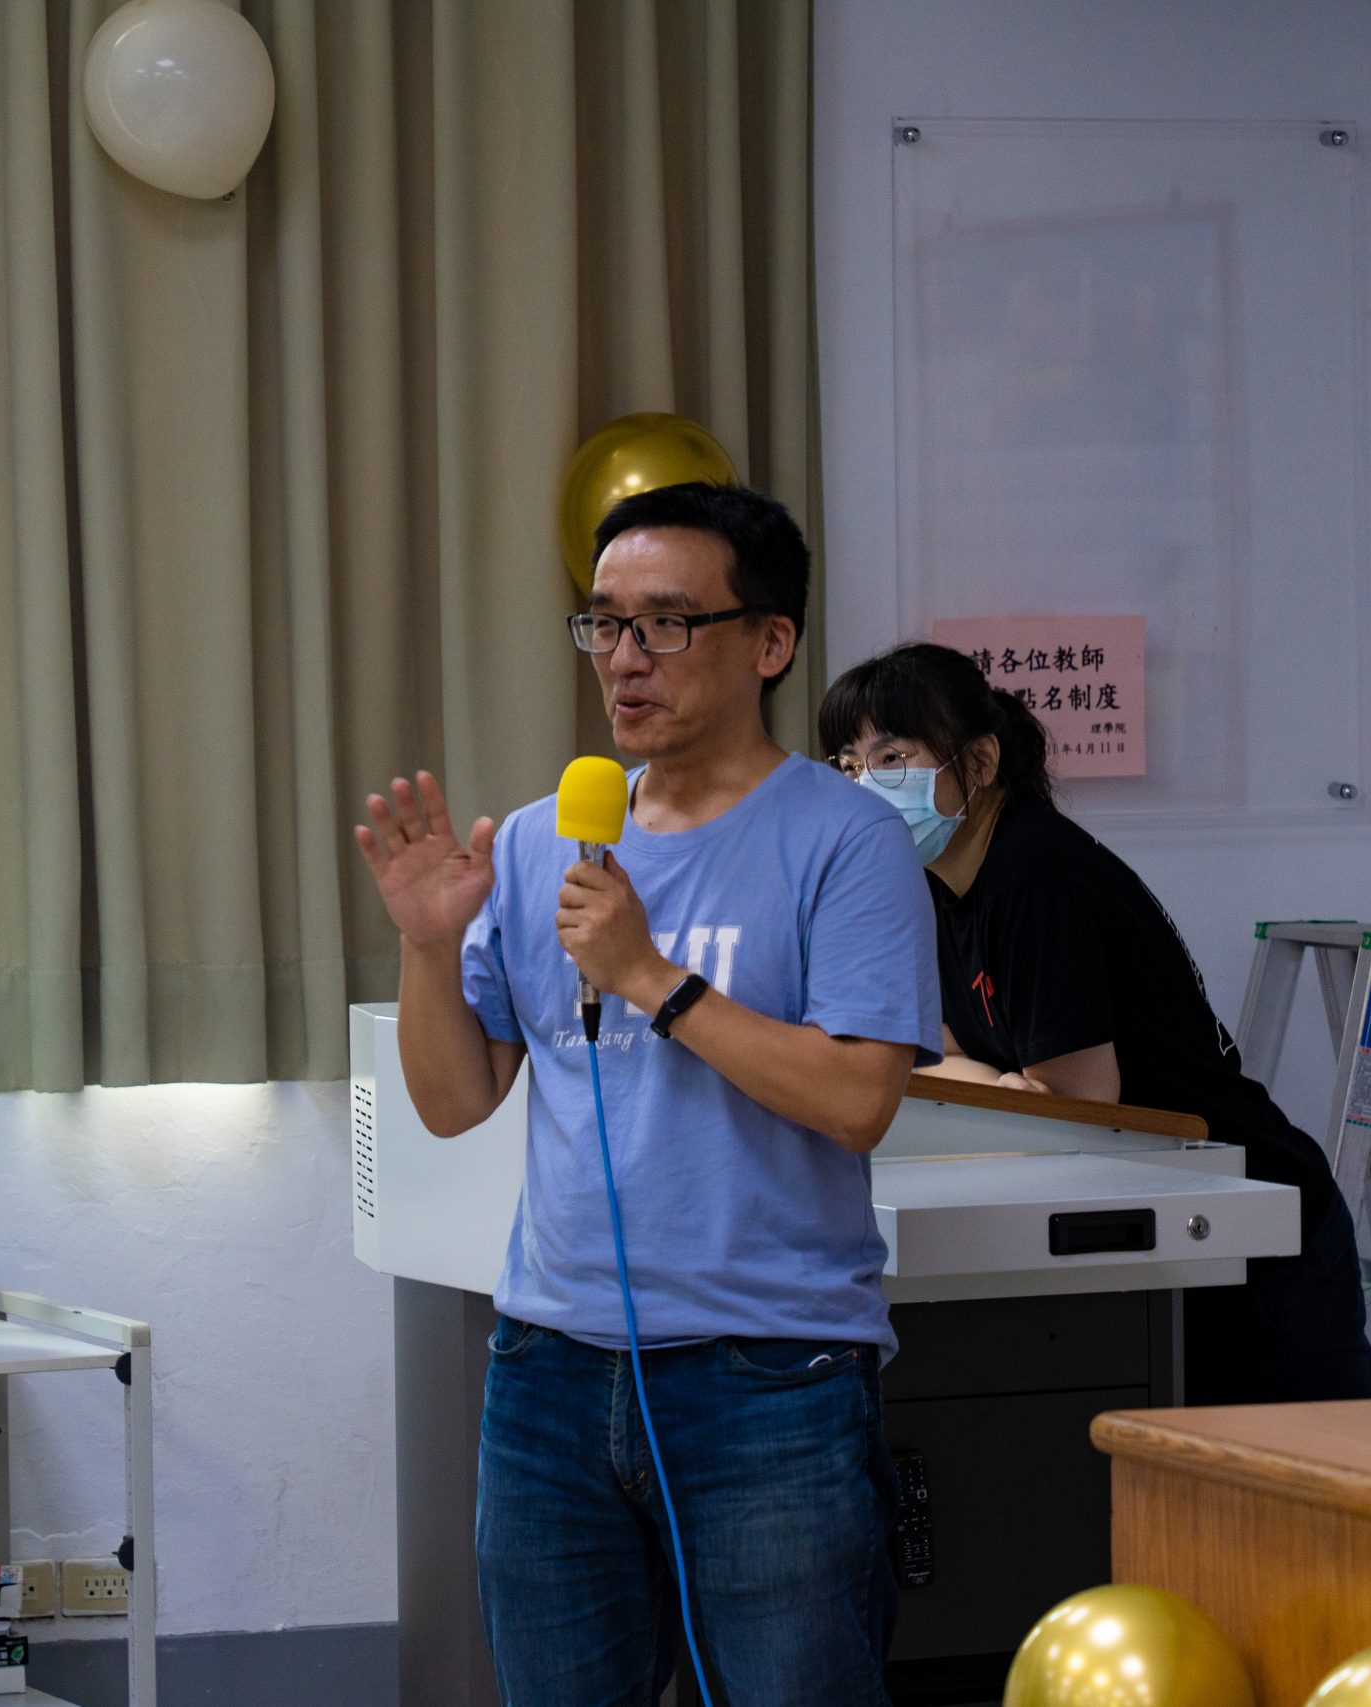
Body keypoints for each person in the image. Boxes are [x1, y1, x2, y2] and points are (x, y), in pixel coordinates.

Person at [355, 483, 939, 1705]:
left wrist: (652, 980)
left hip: (768, 1379)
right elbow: (455, 1102)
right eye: (605, 623)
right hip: (548, 1372)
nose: (625, 659)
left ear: (768, 642)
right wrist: (425, 946)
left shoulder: (846, 841)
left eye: (667, 623)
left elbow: (857, 1101)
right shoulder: (541, 841)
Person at [819, 641, 1371, 1406]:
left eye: (891, 758)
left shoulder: (1035, 875)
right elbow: (936, 1055)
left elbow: (1079, 1102)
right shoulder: (935, 883)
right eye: (847, 765)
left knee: (1312, 1466)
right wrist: (1007, 1085)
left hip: (1250, 1224)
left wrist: (1012, 1087)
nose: (863, 785)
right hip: (1152, 1216)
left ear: (979, 762)